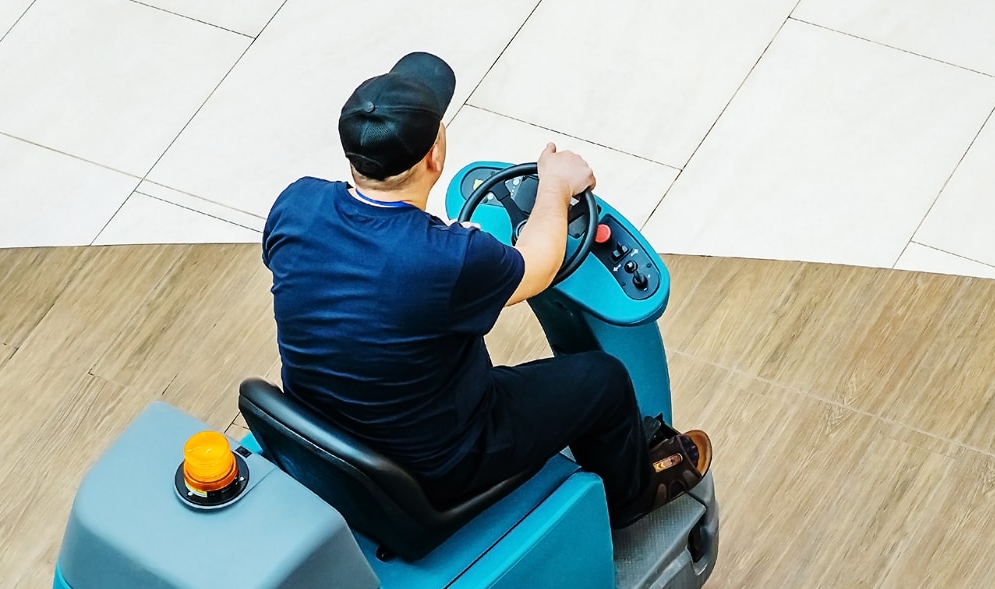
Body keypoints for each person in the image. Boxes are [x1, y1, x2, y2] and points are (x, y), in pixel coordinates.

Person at [261, 52, 711, 529]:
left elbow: (353, 277)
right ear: (435, 157)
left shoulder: (296, 205)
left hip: (327, 431)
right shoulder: (449, 259)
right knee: (604, 380)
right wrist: (555, 187)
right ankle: (632, 497)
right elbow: (537, 266)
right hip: (440, 464)